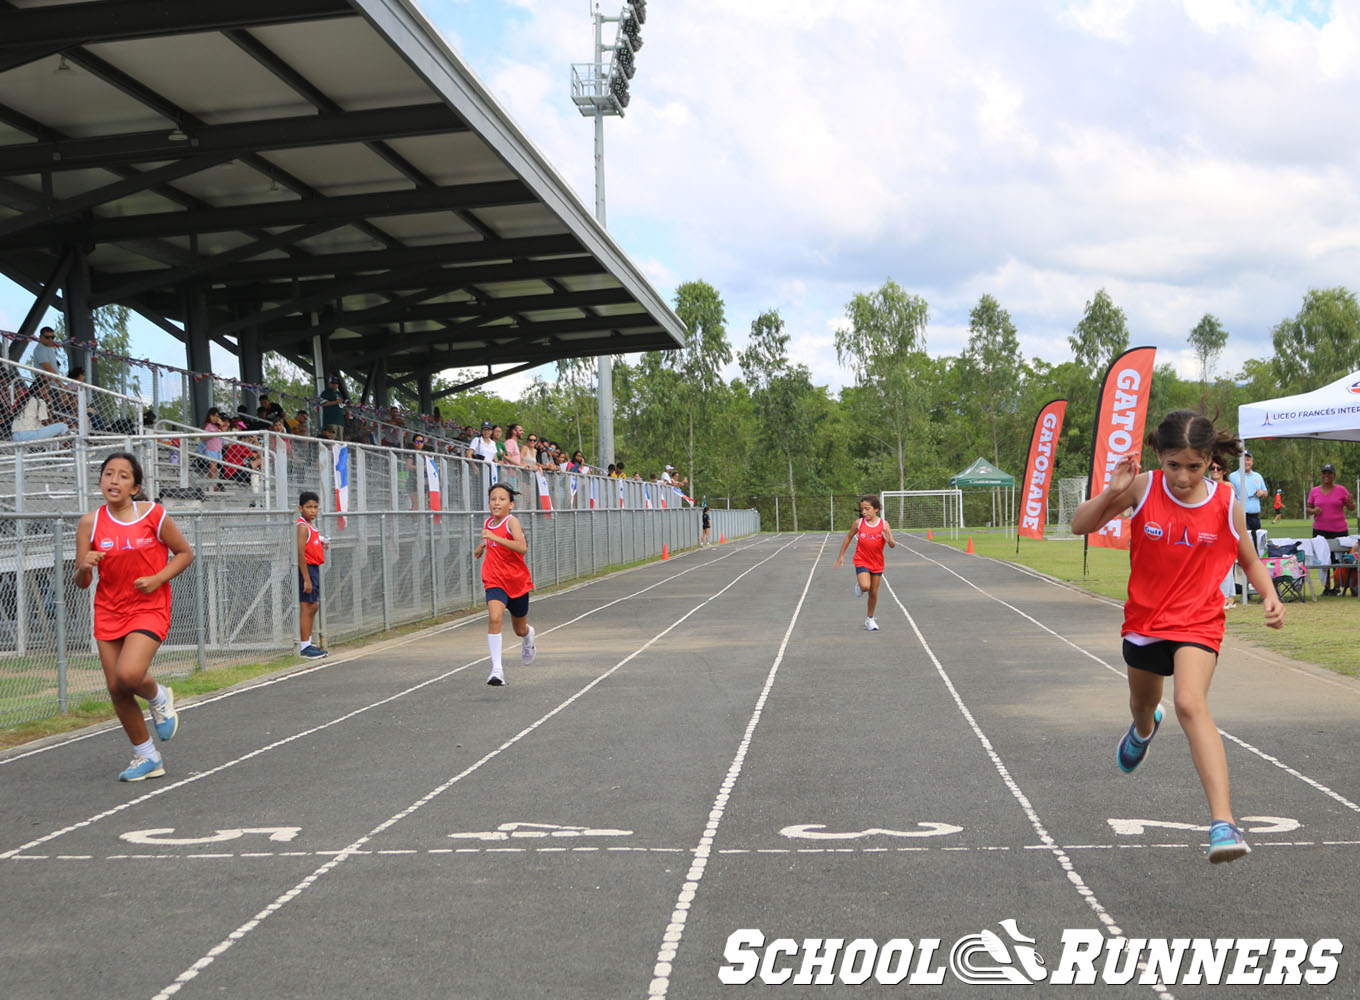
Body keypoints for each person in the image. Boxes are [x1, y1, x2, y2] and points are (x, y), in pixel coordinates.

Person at [1070, 409, 1284, 864]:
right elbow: (1080, 525)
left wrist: (1270, 595)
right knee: (1143, 706)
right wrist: (1112, 489)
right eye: (1174, 465)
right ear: (1159, 457)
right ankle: (1144, 731)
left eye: (1194, 466)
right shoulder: (1142, 487)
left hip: (1199, 621)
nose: (1184, 476)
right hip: (1145, 622)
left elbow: (1247, 558)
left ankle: (1223, 823)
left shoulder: (1226, 501)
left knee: (1190, 702)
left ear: (1210, 461)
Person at [74, 452, 195, 781]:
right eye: (108, 474)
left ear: (135, 486)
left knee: (128, 675)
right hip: (108, 610)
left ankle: (158, 694)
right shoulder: (90, 522)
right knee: (116, 688)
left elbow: (185, 554)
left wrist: (157, 579)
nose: (113, 480)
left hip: (148, 606)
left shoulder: (153, 515)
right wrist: (84, 566)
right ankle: (147, 756)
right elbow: (82, 582)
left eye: (123, 476)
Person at [473, 482, 535, 686]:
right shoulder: (489, 523)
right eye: (493, 499)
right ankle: (497, 670)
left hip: (516, 582)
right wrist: (483, 545)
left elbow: (521, 547)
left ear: (511, 504)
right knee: (494, 617)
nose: (496, 502)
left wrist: (493, 539)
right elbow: (492, 540)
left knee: (519, 629)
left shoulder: (511, 522)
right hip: (494, 580)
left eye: (501, 499)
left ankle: (528, 638)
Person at [832, 494, 897, 631]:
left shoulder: (884, 524)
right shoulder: (859, 523)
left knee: (873, 592)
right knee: (866, 586)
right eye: (862, 509)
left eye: (867, 509)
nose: (864, 512)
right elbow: (849, 537)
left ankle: (870, 619)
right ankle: (861, 585)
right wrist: (841, 555)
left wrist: (888, 539)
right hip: (861, 559)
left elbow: (892, 545)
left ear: (876, 509)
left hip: (877, 562)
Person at [1307, 463, 1356, 595]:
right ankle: (1327, 587)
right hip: (1320, 530)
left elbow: (1351, 507)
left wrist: (1351, 503)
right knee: (1322, 558)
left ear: (1334, 476)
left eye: (1329, 473)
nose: (1326, 476)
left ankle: (1337, 586)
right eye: (1324, 473)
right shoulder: (1315, 491)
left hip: (1339, 530)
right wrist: (1314, 510)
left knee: (1337, 559)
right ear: (1321, 475)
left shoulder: (1341, 490)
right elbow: (1308, 508)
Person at [296, 491, 329, 658]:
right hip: (307, 569)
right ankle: (304, 646)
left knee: (313, 606)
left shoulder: (311, 526)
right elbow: (300, 553)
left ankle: (307, 642)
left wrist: (322, 541)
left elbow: (313, 542)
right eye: (309, 507)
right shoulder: (302, 526)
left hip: (314, 568)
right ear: (301, 508)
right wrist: (306, 579)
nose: (313, 510)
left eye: (315, 507)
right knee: (307, 606)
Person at [1208, 459, 1237, 609]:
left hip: (1225, 528)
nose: (1215, 471)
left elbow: (1231, 509)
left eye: (1218, 468)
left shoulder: (1228, 487)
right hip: (1212, 528)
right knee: (1222, 562)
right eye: (1212, 468)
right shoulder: (1208, 485)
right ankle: (1230, 597)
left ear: (1224, 471)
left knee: (1223, 563)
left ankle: (1225, 597)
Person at [1227, 450, 1267, 545]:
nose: (1246, 462)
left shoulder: (1258, 476)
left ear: (1252, 462)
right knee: (1246, 544)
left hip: (1255, 517)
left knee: (1257, 543)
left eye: (1248, 459)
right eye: (1243, 460)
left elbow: (1266, 493)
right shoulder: (1233, 476)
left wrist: (1262, 493)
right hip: (1241, 516)